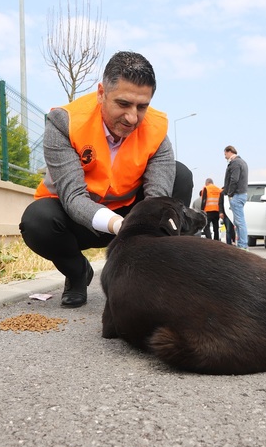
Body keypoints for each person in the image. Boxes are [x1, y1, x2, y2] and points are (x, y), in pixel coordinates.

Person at [19, 51, 194, 308]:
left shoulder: (157, 132)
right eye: (123, 104)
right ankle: (78, 274)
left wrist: (144, 230)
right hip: (77, 218)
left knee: (181, 176)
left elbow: (157, 200)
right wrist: (118, 225)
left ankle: (153, 276)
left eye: (142, 107)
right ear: (101, 93)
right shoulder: (63, 123)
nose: (132, 117)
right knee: (37, 221)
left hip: (130, 213)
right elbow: (73, 196)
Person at [223, 145, 249, 249]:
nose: (225, 157)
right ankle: (241, 244)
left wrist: (230, 193)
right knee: (238, 222)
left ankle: (243, 245)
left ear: (229, 151)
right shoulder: (241, 162)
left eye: (225, 154)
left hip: (237, 195)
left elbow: (234, 179)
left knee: (239, 222)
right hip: (240, 194)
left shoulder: (235, 163)